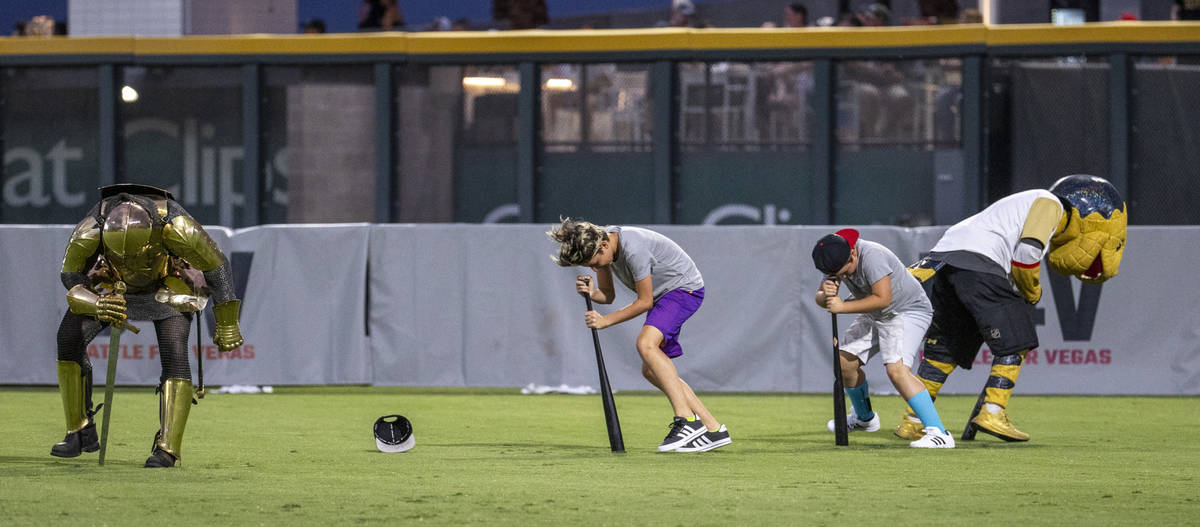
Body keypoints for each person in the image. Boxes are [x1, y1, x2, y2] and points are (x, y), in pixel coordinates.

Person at [895, 175, 1127, 442]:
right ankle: (992, 412)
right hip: (980, 261)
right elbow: (1027, 254)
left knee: (944, 351)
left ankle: (912, 421)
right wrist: (1032, 292)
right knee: (1016, 341)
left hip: (947, 261)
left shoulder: (1022, 206)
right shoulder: (1050, 204)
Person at [51, 184, 244, 467]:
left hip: (169, 281)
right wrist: (96, 304)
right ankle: (79, 430)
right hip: (110, 283)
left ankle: (168, 447)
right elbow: (70, 274)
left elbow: (216, 266)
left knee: (175, 351)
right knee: (68, 339)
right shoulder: (92, 226)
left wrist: (227, 324)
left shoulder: (177, 226)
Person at [548, 218, 730, 453]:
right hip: (664, 296)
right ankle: (713, 429)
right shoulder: (604, 247)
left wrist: (605, 321)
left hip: (684, 290)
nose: (594, 268)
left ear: (603, 245)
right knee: (651, 370)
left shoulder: (633, 248)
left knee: (645, 344)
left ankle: (687, 420)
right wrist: (591, 293)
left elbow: (644, 302)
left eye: (594, 263)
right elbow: (608, 295)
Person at [813, 229, 955, 448]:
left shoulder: (873, 256)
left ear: (852, 253)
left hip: (906, 311)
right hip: (876, 313)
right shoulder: (834, 257)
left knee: (896, 370)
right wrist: (825, 296)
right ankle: (865, 418)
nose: (842, 277)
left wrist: (842, 306)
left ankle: (940, 433)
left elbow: (882, 299)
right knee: (843, 364)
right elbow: (821, 297)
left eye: (844, 272)